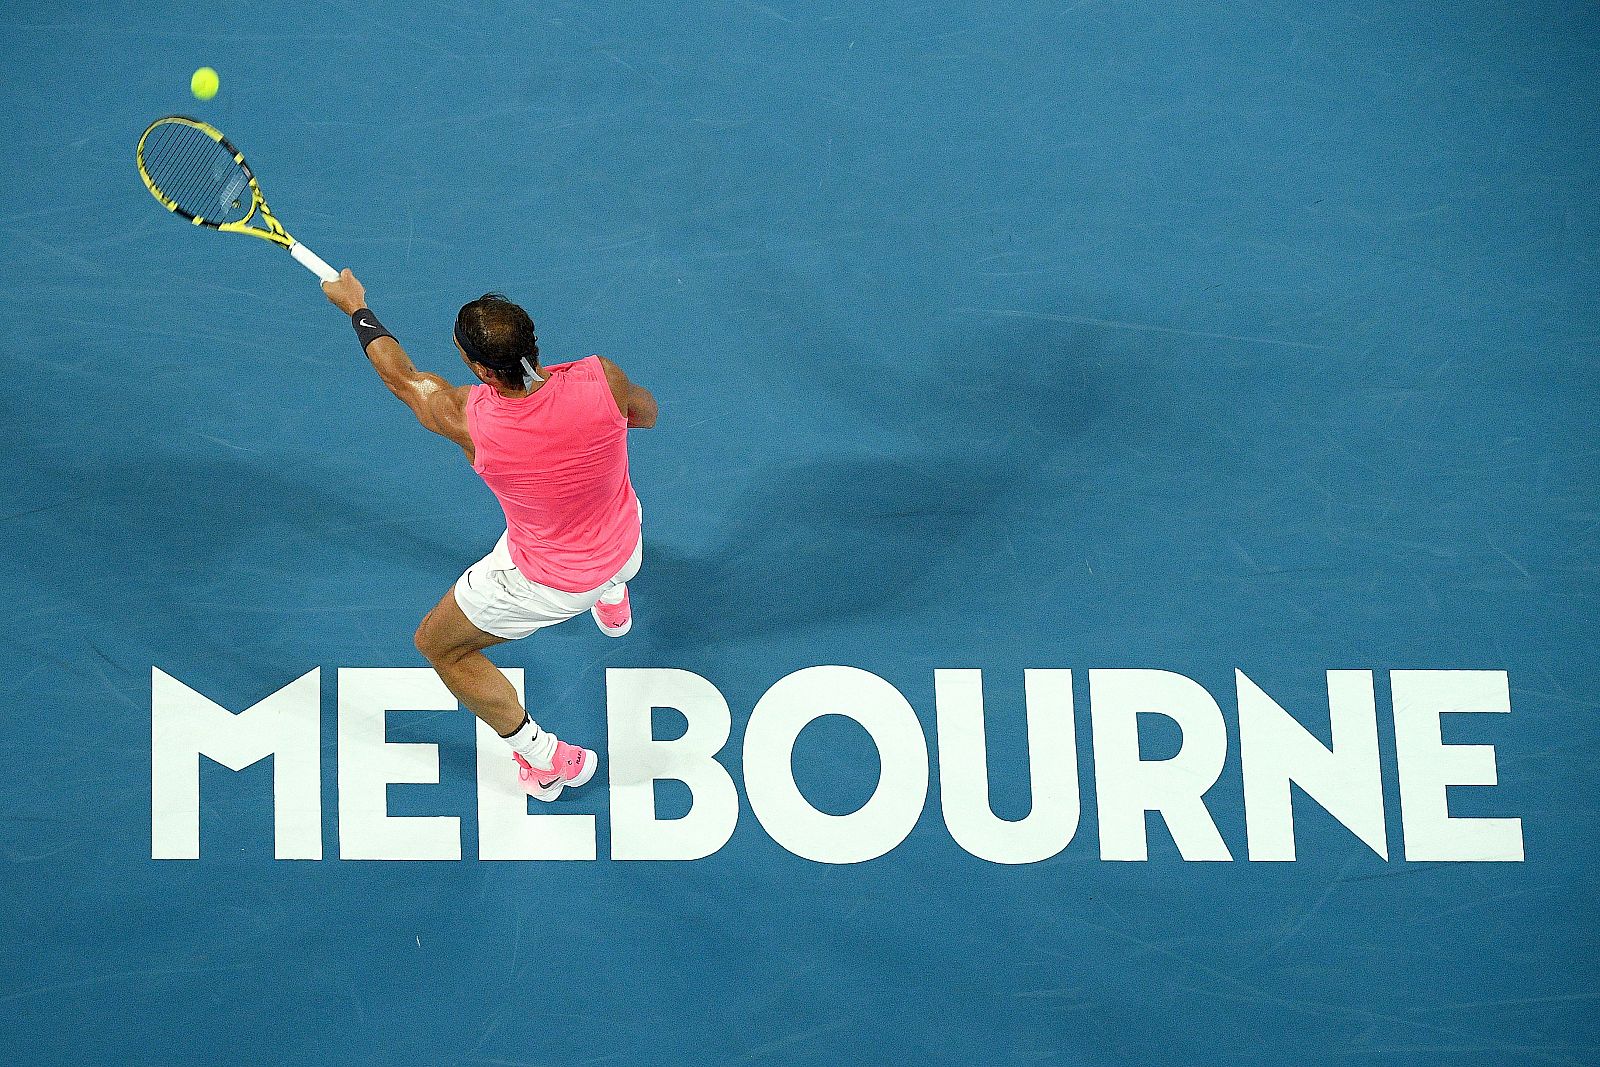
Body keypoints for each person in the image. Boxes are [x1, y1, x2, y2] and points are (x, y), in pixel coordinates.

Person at [320, 269, 657, 800]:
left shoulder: (467, 420)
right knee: (605, 549)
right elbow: (645, 415)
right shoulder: (603, 377)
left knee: (440, 647)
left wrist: (356, 308)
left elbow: (403, 378)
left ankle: (545, 759)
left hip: (551, 582)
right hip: (624, 539)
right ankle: (612, 592)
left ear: (479, 368)